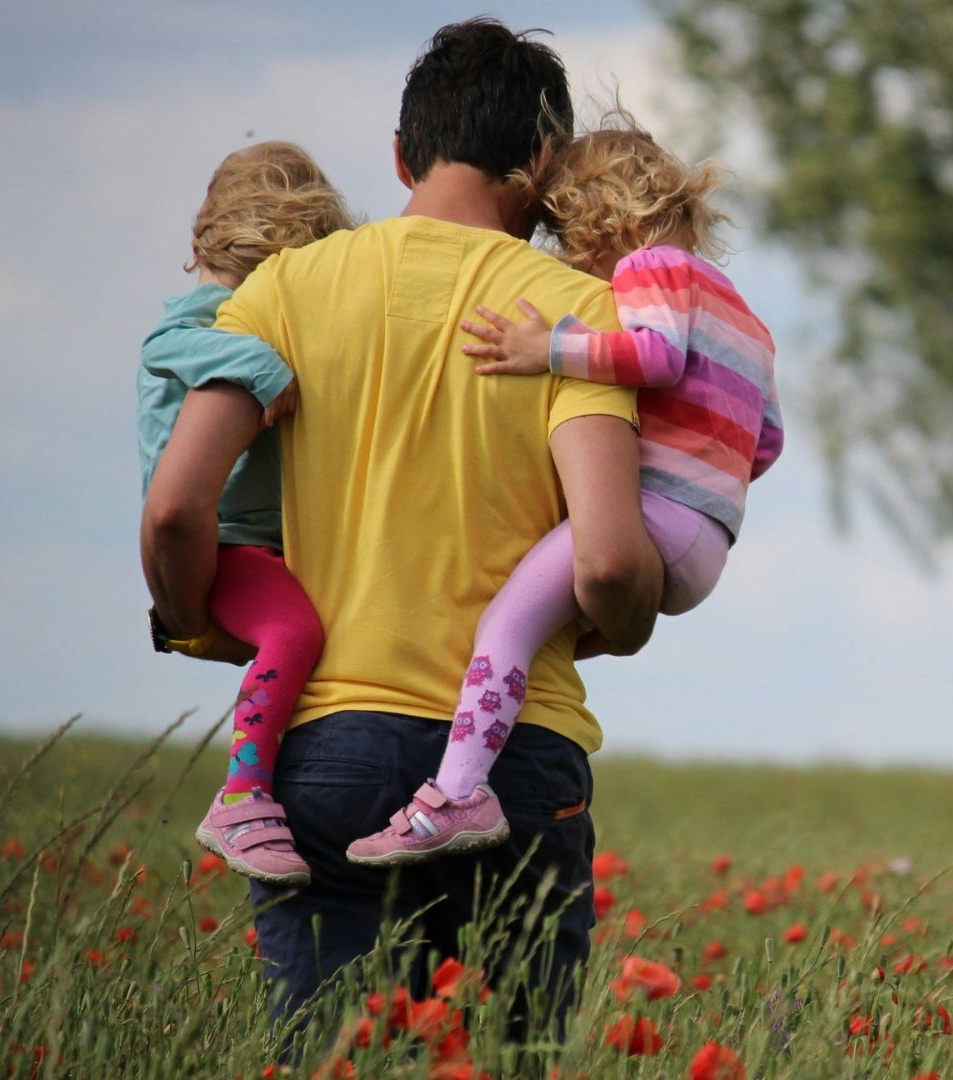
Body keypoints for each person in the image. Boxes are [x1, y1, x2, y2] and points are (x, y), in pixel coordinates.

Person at [140, 18, 662, 1013]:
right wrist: (623, 625)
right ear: (544, 161)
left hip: (327, 745)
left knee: (335, 1053)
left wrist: (199, 620)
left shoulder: (282, 290)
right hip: (516, 758)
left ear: (399, 153)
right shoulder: (576, 315)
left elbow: (174, 509)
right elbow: (606, 563)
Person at [346, 118, 782, 866]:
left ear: (600, 219)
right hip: (710, 537)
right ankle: (478, 759)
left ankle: (456, 794)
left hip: (656, 516)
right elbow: (766, 441)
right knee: (542, 630)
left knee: (505, 627)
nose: (569, 258)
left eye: (566, 235)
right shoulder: (745, 315)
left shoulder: (651, 270)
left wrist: (545, 348)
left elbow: (656, 356)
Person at [138, 141, 353, 886]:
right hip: (227, 543)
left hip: (262, 544)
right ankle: (243, 795)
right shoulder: (206, 317)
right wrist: (263, 366)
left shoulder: (239, 309)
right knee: (294, 631)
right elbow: (167, 344)